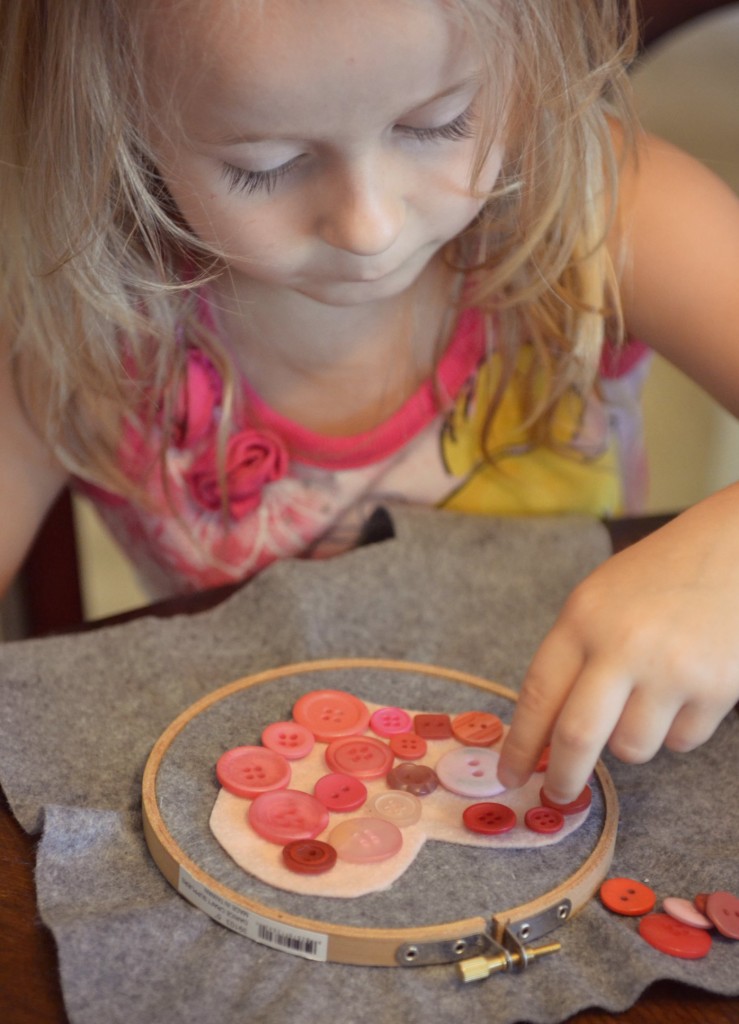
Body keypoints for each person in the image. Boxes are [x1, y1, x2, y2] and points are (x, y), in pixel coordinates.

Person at [1, 0, 737, 805]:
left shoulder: (603, 208)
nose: (369, 226)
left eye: (437, 122)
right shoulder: (67, 325)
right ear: (120, 122)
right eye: (266, 163)